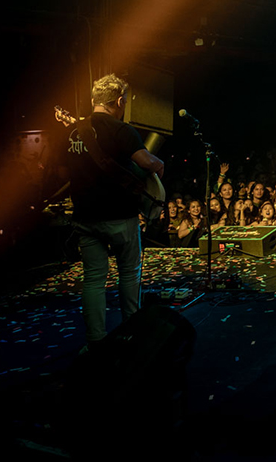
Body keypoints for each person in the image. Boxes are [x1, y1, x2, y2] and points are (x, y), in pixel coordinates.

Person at [62, 74, 165, 350]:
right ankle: (132, 333)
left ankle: (95, 342)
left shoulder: (74, 132)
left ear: (95, 100)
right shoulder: (122, 130)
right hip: (120, 216)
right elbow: (146, 162)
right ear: (119, 101)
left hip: (85, 217)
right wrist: (159, 162)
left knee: (94, 279)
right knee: (129, 273)